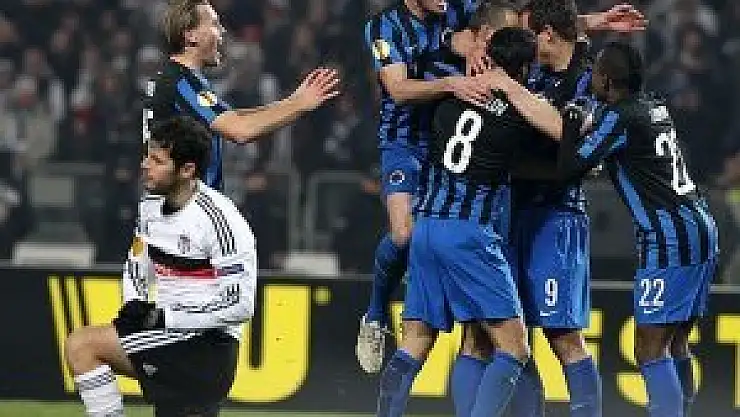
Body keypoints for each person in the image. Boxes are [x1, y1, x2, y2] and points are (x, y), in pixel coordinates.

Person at [376, 27, 539, 417]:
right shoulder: (515, 115)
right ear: (524, 69)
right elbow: (555, 137)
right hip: (468, 233)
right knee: (514, 347)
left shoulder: (448, 104)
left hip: (426, 227)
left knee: (415, 341)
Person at [554, 41, 718, 417]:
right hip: (698, 226)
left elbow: (569, 169)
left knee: (649, 349)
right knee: (676, 344)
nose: (592, 77)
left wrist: (571, 125)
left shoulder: (621, 118)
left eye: (596, 72)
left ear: (608, 80)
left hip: (669, 238)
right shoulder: (653, 106)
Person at [65, 115, 258, 417]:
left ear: (187, 170)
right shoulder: (150, 205)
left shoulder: (220, 220)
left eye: (157, 161)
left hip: (206, 348)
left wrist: (165, 317)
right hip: (171, 339)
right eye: (147, 156)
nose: (145, 165)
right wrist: (135, 303)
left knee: (83, 345)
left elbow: (241, 305)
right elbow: (137, 263)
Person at [357, 0, 491, 374]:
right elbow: (398, 89)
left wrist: (590, 21)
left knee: (448, 233)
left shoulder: (459, 8)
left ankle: (433, 314)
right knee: (403, 234)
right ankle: (375, 315)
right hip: (403, 143)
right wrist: (451, 82)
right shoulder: (385, 26)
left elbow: (516, 24)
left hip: (451, 141)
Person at [146, 0, 340, 190]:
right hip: (180, 205)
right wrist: (299, 104)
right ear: (191, 36)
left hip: (184, 202)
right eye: (214, 24)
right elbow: (240, 129)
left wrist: (293, 102)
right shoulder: (182, 83)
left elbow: (232, 117)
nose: (222, 31)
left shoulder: (179, 79)